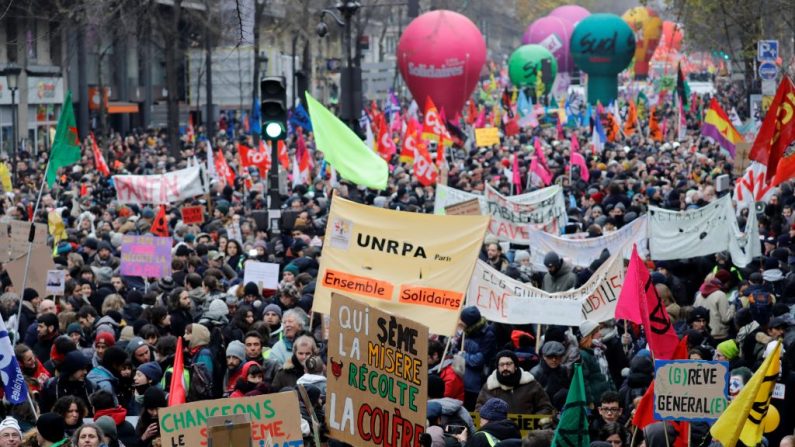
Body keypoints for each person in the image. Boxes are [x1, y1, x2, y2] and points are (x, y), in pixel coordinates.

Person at [475, 350, 553, 415]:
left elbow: (546, 407)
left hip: (527, 432)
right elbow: (479, 409)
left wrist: (532, 422)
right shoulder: (490, 386)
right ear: (497, 367)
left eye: (508, 364)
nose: (505, 367)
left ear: (515, 366)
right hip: (498, 432)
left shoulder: (531, 384)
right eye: (502, 365)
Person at [455, 307, 496, 410]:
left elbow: (478, 361)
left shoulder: (488, 334)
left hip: (476, 386)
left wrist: (463, 355)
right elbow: (455, 350)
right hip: (461, 381)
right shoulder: (465, 332)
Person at [578, 320, 615, 406]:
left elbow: (607, 375)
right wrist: (590, 401)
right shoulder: (583, 355)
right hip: (596, 402)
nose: (600, 334)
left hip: (607, 398)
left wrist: (614, 393)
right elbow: (584, 381)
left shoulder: (599, 351)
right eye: (597, 331)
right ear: (590, 334)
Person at [456, 398, 521, 447]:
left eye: (482, 416)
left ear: (489, 418)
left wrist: (463, 441)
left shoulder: (480, 437)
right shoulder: (515, 433)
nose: (480, 420)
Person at [530, 341, 571, 410]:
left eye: (557, 357)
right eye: (550, 357)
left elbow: (567, 388)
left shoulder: (563, 370)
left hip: (561, 409)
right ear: (544, 356)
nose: (554, 360)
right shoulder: (535, 373)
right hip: (543, 409)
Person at [693, 277, 734, 344]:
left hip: (704, 334)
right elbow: (726, 318)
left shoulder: (699, 296)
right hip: (720, 335)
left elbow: (694, 313)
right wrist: (732, 306)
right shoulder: (721, 295)